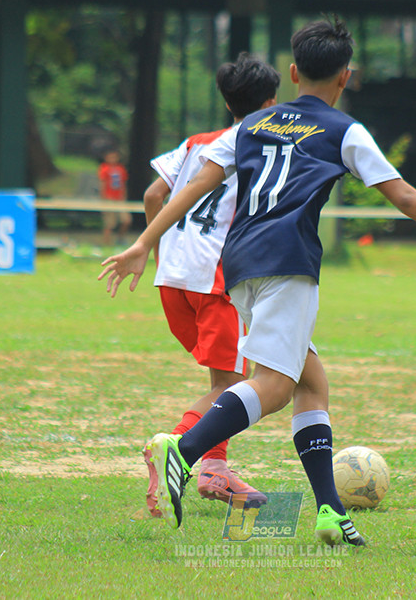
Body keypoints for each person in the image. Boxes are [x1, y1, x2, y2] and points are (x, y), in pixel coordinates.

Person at [99, 18, 416, 546]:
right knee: (274, 387)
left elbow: (196, 185)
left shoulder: (251, 125)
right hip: (289, 263)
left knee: (311, 384)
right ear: (347, 76)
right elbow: (406, 198)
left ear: (294, 72)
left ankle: (329, 512)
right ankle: (181, 452)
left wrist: (144, 242)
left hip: (241, 267)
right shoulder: (345, 131)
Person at [141, 53, 280, 514]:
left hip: (173, 277)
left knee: (226, 379)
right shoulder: (262, 146)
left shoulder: (196, 142)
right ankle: (178, 449)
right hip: (217, 282)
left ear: (227, 102)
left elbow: (153, 194)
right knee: (236, 386)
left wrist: (160, 251)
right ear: (272, 102)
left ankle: (215, 471)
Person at [99, 149, 131, 246]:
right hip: (109, 199)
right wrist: (103, 199)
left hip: (119, 199)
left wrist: (124, 197)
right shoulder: (104, 168)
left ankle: (120, 239)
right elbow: (102, 184)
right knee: (109, 223)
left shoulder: (121, 169)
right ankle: (106, 243)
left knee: (126, 220)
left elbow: (123, 184)